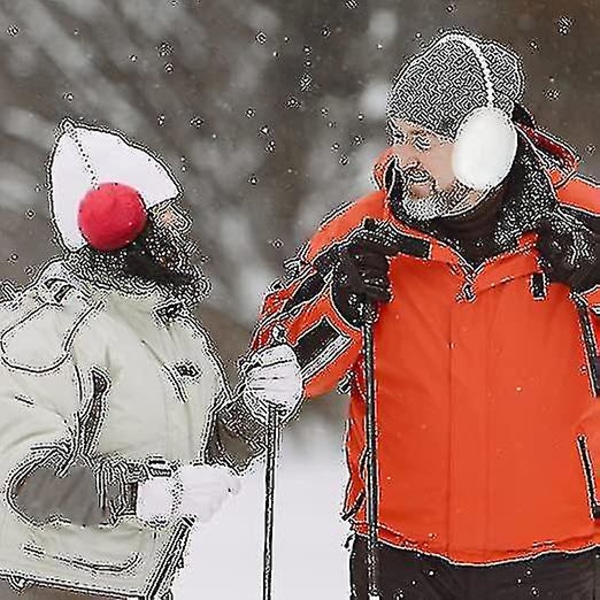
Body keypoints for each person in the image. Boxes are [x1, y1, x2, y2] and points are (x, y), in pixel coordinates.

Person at [249, 30, 600, 599]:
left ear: (488, 144)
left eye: (426, 140)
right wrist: (335, 309)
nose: (404, 158)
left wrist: (596, 283)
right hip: (400, 558)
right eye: (400, 137)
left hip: (556, 558)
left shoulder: (587, 224)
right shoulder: (359, 235)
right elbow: (275, 371)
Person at [0, 119, 302, 600]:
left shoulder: (174, 331)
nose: (180, 226)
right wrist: (149, 492)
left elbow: (205, 456)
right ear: (118, 222)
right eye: (164, 212)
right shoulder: (49, 332)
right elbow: (29, 482)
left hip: (135, 585)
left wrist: (257, 412)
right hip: (47, 585)